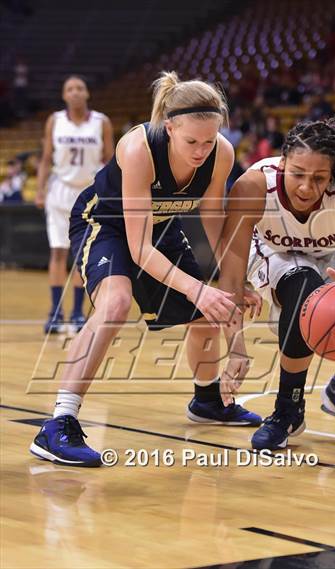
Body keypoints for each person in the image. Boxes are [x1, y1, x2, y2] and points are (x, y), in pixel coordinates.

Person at [30, 71, 262, 467]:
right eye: (192, 141)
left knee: (207, 307)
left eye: (209, 141)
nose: (201, 150)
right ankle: (58, 423)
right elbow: (138, 248)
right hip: (106, 223)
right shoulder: (138, 148)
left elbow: (213, 228)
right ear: (169, 127)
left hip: (160, 223)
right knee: (116, 303)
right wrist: (198, 289)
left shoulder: (221, 154)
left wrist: (234, 284)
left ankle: (207, 400)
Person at [218, 117, 335, 450]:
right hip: (278, 252)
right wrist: (235, 348)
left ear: (333, 175)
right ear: (283, 162)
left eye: (319, 178)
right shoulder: (253, 185)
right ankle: (288, 408)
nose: (305, 186)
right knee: (304, 294)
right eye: (297, 174)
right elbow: (230, 275)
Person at [35, 76, 114, 334]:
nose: (76, 92)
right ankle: (56, 312)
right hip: (60, 192)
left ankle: (79, 313)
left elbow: (110, 160)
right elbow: (46, 158)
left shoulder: (101, 122)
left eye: (80, 88)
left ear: (87, 93)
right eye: (70, 89)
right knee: (58, 252)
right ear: (64, 95)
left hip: (90, 195)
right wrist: (39, 190)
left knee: (83, 256)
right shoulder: (54, 121)